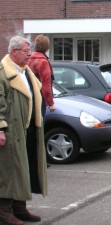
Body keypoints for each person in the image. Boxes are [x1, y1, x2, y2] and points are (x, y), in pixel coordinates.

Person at [0, 36, 48, 225]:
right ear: (14, 52)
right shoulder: (4, 73)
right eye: (26, 51)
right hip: (11, 130)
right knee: (9, 170)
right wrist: (0, 129)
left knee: (24, 168)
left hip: (27, 129)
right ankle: (3, 212)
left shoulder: (25, 71)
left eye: (30, 51)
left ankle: (19, 208)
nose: (30, 55)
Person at [28, 34, 55, 118]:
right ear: (47, 47)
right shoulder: (43, 61)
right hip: (39, 98)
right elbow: (46, 85)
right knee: (39, 125)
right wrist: (51, 103)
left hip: (28, 96)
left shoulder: (28, 58)